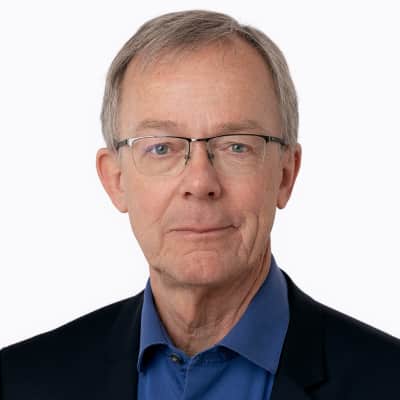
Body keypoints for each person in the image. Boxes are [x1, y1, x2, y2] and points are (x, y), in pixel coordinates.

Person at [1, 9, 399, 400]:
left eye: (236, 146)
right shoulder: (18, 382)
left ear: (285, 174)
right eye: (161, 148)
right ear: (115, 180)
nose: (200, 183)